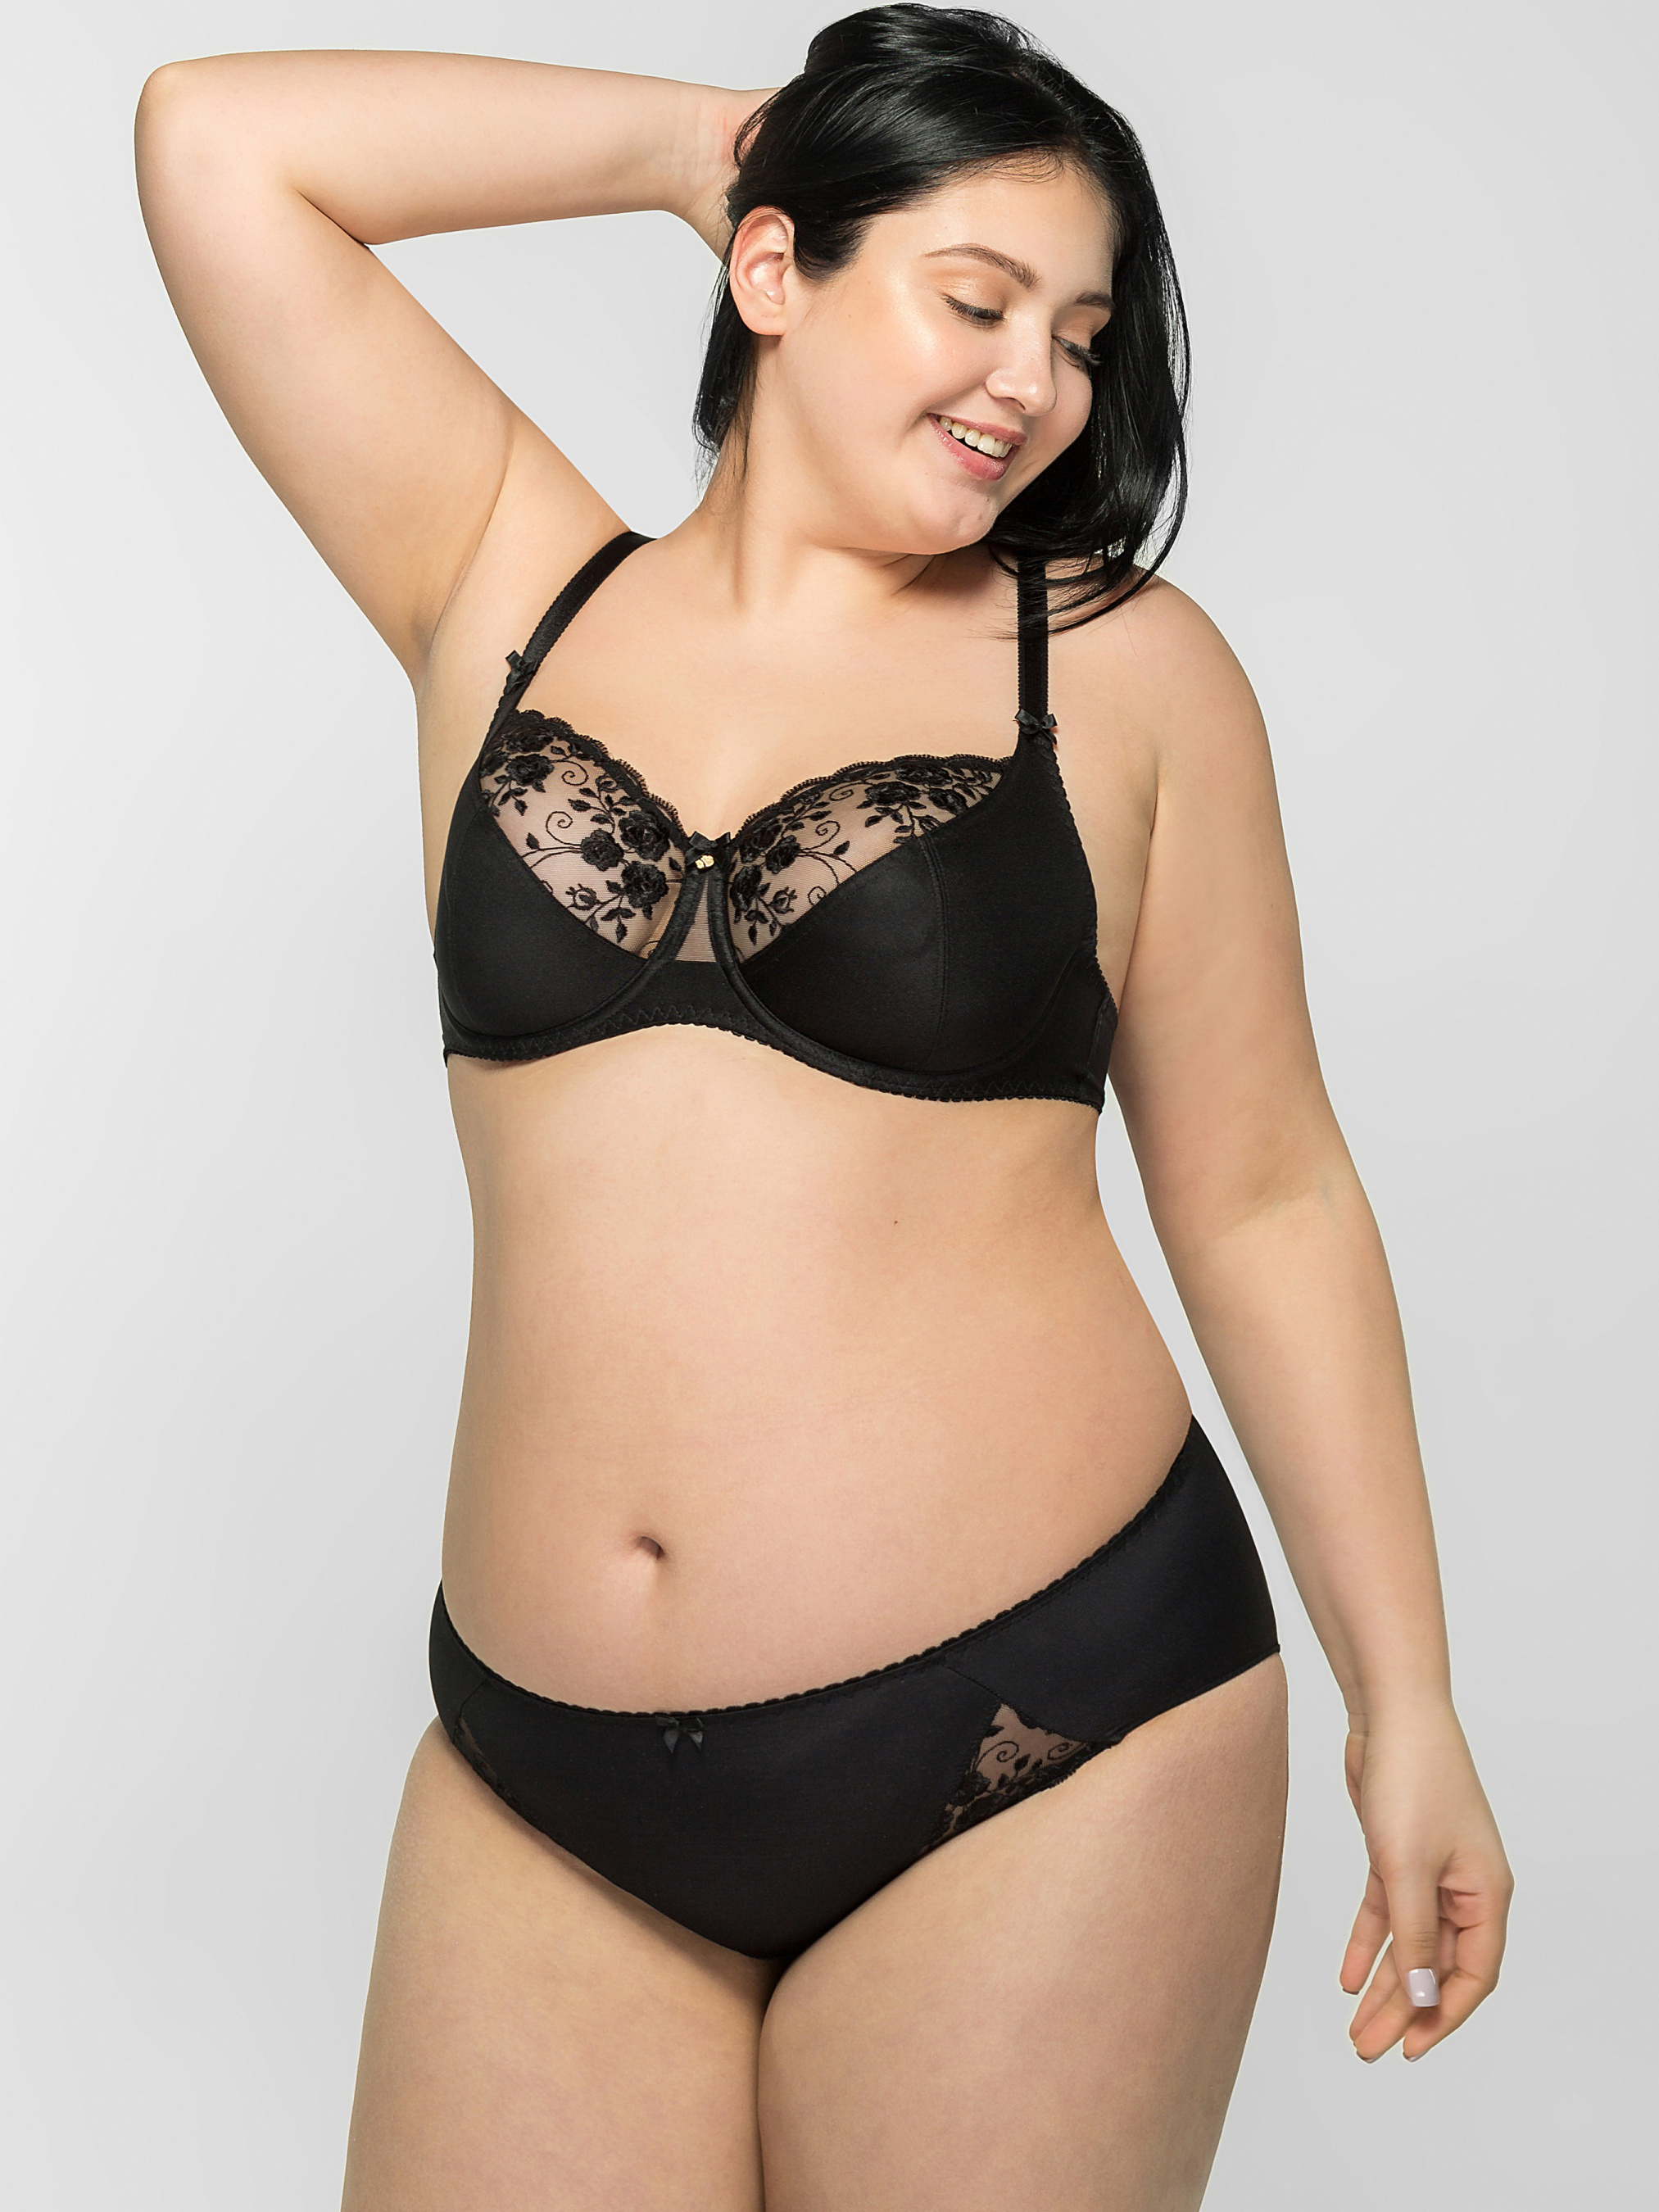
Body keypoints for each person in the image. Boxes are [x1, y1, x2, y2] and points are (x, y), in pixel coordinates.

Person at [135, 9, 1512, 2206]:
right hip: (542, 1778)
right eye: (975, 300)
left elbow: (1262, 1195)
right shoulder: (501, 575)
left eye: (1078, 337)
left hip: (1049, 1728)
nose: (1033, 382)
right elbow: (214, 144)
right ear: (772, 267)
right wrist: (706, 142)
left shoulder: (1121, 671)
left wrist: (1405, 1695)